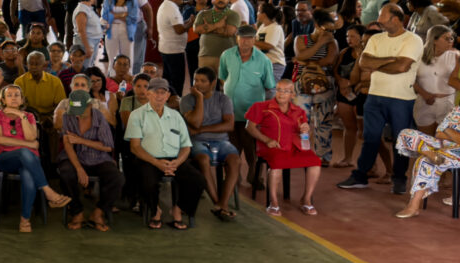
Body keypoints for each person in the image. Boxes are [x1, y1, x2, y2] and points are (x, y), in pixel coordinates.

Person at [337, 5, 424, 192]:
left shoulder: (413, 39)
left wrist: (378, 64)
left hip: (401, 97)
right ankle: (360, 176)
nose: (378, 18)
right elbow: (364, 63)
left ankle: (399, 178)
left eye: (382, 15)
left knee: (400, 141)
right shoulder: (376, 38)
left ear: (395, 18)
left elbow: (402, 67)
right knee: (370, 138)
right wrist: (392, 60)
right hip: (374, 96)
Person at [395, 78, 460, 218]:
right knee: (406, 133)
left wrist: (449, 130)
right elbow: (438, 132)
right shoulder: (456, 110)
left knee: (426, 161)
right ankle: (430, 153)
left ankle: (413, 206)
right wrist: (458, 135)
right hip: (443, 146)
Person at [0, 83, 72, 231]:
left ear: (22, 100)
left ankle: (24, 220)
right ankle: (48, 191)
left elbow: (32, 137)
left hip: (29, 161)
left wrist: (21, 116)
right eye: (9, 95)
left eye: (17, 95)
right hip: (6, 158)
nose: (13, 98)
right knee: (24, 152)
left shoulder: (29, 116)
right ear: (3, 100)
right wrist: (27, 145)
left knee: (28, 174)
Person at [126, 77, 200, 230]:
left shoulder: (176, 116)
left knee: (197, 180)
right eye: (155, 92)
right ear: (148, 94)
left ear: (167, 96)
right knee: (147, 181)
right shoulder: (137, 115)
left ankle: (178, 208)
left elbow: (186, 146)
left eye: (163, 92)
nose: (159, 96)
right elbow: (135, 147)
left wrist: (177, 163)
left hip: (174, 160)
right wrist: (156, 162)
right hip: (148, 159)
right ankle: (155, 210)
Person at [244, 78, 319, 216]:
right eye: (279, 90)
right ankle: (273, 203)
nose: (281, 93)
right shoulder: (261, 107)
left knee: (315, 162)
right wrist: (266, 140)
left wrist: (305, 129)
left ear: (292, 95)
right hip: (272, 147)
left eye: (286, 91)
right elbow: (249, 127)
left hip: (294, 148)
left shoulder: (299, 111)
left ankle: (306, 199)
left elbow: (304, 133)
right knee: (277, 164)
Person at [180, 66, 244, 220]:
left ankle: (222, 204)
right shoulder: (187, 100)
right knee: (203, 159)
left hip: (221, 141)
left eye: (203, 81)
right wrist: (200, 99)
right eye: (196, 80)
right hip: (197, 142)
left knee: (235, 160)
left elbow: (229, 125)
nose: (198, 84)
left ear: (213, 83)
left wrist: (202, 129)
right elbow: (194, 123)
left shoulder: (223, 99)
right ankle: (218, 203)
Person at [53, 88, 122, 231]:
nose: (77, 114)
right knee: (66, 173)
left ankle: (99, 212)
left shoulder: (99, 117)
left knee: (116, 177)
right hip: (74, 156)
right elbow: (68, 144)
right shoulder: (68, 116)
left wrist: (81, 140)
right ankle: (77, 211)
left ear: (90, 106)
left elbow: (108, 147)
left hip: (97, 156)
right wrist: (79, 168)